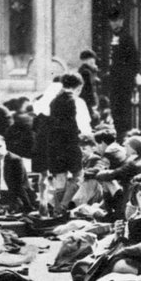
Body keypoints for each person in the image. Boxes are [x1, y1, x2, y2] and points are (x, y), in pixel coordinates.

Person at [47, 72, 85, 214]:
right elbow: (81, 125)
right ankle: (63, 205)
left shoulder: (54, 101)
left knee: (60, 179)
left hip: (55, 146)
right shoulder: (75, 101)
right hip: (71, 144)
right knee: (78, 176)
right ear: (78, 87)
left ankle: (57, 210)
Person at [107, 8, 141, 137]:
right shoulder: (110, 36)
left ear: (122, 21)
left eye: (117, 20)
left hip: (123, 82)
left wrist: (130, 76)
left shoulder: (126, 38)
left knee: (123, 110)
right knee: (115, 110)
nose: (115, 23)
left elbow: (135, 60)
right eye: (112, 21)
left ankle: (123, 135)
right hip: (114, 81)